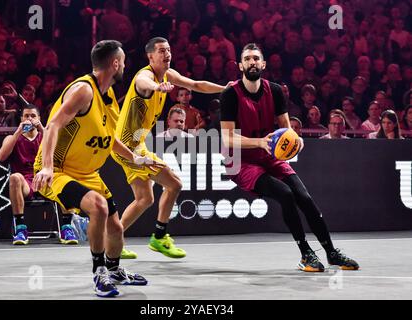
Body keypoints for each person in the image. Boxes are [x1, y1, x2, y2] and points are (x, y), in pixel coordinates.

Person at [32, 40, 161, 298]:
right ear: (115, 63)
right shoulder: (83, 90)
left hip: (89, 173)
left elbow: (111, 140)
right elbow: (53, 125)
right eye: (123, 61)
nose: (125, 65)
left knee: (115, 228)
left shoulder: (109, 95)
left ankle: (114, 270)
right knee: (98, 207)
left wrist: (136, 158)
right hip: (59, 171)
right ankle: (99, 271)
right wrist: (46, 167)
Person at [220, 43, 359, 272]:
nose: (252, 62)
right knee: (285, 194)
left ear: (263, 64)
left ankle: (332, 252)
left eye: (256, 58)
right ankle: (306, 253)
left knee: (304, 197)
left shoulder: (274, 90)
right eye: (247, 58)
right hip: (240, 161)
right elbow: (227, 138)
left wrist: (296, 139)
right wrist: (261, 142)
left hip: (269, 156)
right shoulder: (230, 95)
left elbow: (286, 128)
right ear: (240, 65)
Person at [112, 37, 226, 260]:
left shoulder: (169, 74)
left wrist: (226, 89)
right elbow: (143, 82)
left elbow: (195, 85)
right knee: (174, 184)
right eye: (161, 51)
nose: (167, 54)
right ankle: (159, 237)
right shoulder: (145, 76)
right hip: (129, 147)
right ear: (150, 56)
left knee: (144, 199)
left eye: (169, 50)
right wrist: (157, 87)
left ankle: (113, 240)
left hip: (134, 144)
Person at [0, 105, 78, 245]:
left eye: (33, 116)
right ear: (21, 119)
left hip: (46, 181)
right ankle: (21, 229)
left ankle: (67, 228)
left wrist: (41, 128)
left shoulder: (46, 137)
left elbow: (57, 147)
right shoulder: (12, 138)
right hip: (26, 183)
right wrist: (18, 132)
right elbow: (1, 156)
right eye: (26, 116)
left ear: (39, 118)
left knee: (66, 176)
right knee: (15, 177)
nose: (30, 119)